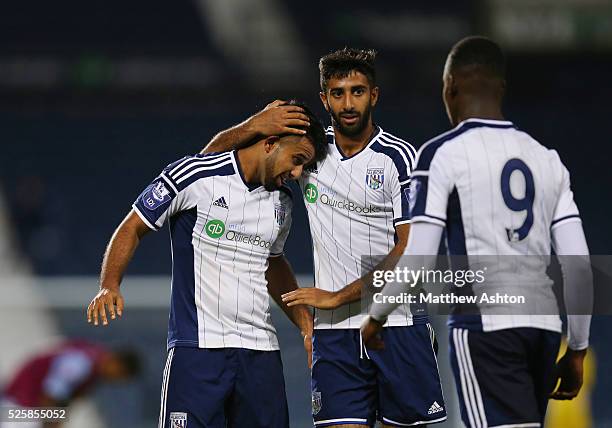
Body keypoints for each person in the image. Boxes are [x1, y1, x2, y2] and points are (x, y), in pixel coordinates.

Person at [202, 49, 446, 428]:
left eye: (358, 91)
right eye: (337, 93)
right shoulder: (311, 152)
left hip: (396, 325)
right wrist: (254, 124)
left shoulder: (400, 159)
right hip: (334, 338)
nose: (348, 103)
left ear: (374, 96)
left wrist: (337, 296)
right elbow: (207, 165)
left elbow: (411, 249)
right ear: (324, 99)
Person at [361, 36, 593, 428]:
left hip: (484, 326)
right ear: (500, 87)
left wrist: (377, 315)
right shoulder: (547, 159)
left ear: (449, 87)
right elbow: (580, 267)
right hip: (543, 329)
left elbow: (418, 256)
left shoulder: (442, 153)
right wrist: (578, 349)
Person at [86, 101, 327, 428]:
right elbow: (133, 226)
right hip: (197, 350)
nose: (297, 173)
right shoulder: (196, 176)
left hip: (261, 354)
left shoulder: (282, 203)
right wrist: (109, 284)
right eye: (296, 160)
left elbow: (273, 262)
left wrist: (305, 325)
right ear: (269, 143)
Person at [1, 339, 139, 428]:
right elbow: (50, 394)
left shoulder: (94, 370)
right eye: (120, 375)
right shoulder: (82, 363)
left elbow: (65, 402)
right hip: (20, 406)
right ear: (116, 363)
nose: (115, 380)